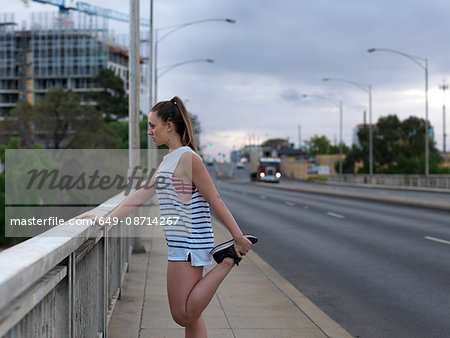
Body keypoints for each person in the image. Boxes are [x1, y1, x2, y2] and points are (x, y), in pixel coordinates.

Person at [79, 96, 257, 338]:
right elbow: (140, 195)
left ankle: (226, 260)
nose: (149, 132)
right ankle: (226, 259)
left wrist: (237, 237)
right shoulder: (169, 160)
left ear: (169, 126)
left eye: (153, 126)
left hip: (189, 244)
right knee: (191, 317)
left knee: (183, 314)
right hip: (181, 243)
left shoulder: (187, 158)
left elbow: (215, 199)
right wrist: (106, 219)